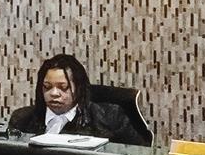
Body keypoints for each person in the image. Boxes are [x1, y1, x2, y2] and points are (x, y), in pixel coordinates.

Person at [7, 54, 142, 143]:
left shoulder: (111, 117)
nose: (54, 93)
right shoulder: (21, 119)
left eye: (63, 87)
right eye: (47, 87)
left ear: (79, 88)